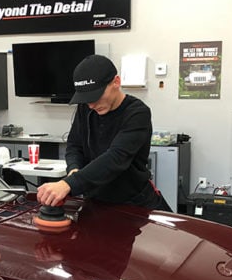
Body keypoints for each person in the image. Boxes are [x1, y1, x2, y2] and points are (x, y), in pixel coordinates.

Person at [36, 54, 172, 211]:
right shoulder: (85, 108)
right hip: (95, 200)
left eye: (97, 96)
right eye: (87, 99)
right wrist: (74, 169)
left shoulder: (137, 113)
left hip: (133, 203)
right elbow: (74, 146)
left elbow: (115, 158)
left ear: (116, 82)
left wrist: (69, 183)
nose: (92, 104)